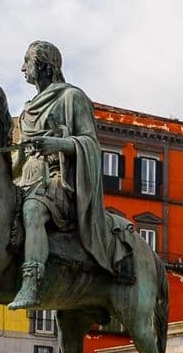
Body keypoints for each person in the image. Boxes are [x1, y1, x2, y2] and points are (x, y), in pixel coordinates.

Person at [10, 40, 133, 309]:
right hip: (27, 179)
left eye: (26, 62)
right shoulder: (26, 111)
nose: (22, 69)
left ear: (42, 65)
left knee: (33, 211)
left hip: (59, 180)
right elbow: (19, 158)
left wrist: (59, 145)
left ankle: (32, 284)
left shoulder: (71, 97)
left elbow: (90, 143)